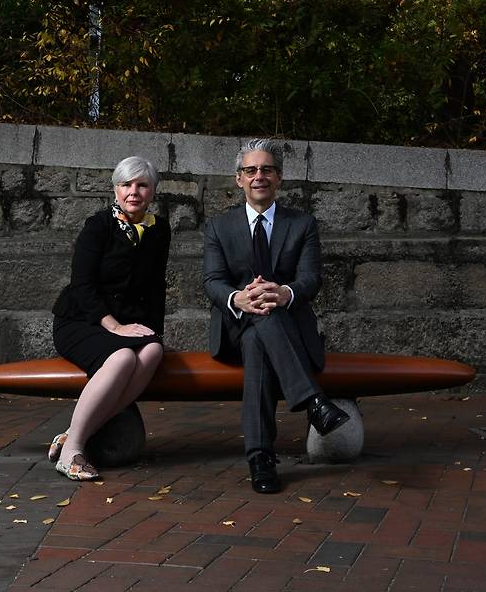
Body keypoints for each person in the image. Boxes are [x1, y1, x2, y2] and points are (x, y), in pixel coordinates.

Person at [203, 138, 349, 493]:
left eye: (266, 169)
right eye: (250, 170)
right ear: (239, 179)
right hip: (235, 327)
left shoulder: (302, 224)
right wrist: (239, 298)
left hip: (286, 327)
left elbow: (311, 279)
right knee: (256, 319)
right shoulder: (219, 227)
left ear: (279, 177)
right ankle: (314, 403)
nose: (259, 176)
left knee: (262, 331)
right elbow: (212, 281)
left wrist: (284, 293)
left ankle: (260, 458)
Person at [50, 156, 170, 481]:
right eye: (126, 185)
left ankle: (76, 430)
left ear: (152, 191)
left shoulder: (158, 231)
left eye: (142, 185)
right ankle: (72, 451)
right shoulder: (98, 226)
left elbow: (155, 287)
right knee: (120, 359)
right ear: (115, 190)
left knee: (153, 352)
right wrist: (115, 326)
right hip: (80, 320)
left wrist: (153, 333)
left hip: (122, 325)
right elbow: (82, 285)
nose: (134, 192)